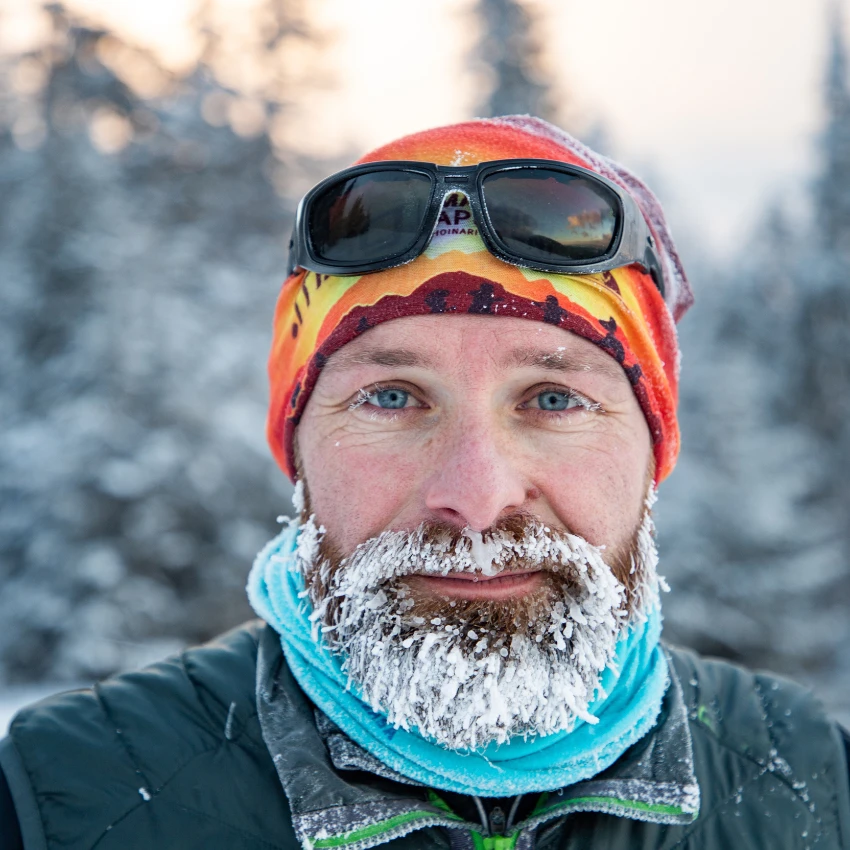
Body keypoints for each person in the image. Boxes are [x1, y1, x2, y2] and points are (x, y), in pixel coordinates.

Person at [2, 116, 849, 850]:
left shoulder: (816, 783)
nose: (476, 497)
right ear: (299, 452)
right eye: (393, 398)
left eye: (553, 399)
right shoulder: (59, 798)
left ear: (652, 449)